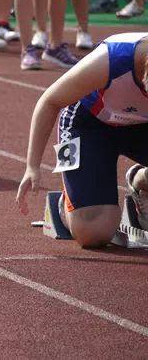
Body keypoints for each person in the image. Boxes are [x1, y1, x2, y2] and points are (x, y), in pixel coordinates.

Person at [17, 32, 148, 248]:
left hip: (142, 126)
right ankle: (68, 204)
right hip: (89, 123)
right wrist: (32, 166)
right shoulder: (112, 58)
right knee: (94, 234)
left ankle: (141, 180)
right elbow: (49, 101)